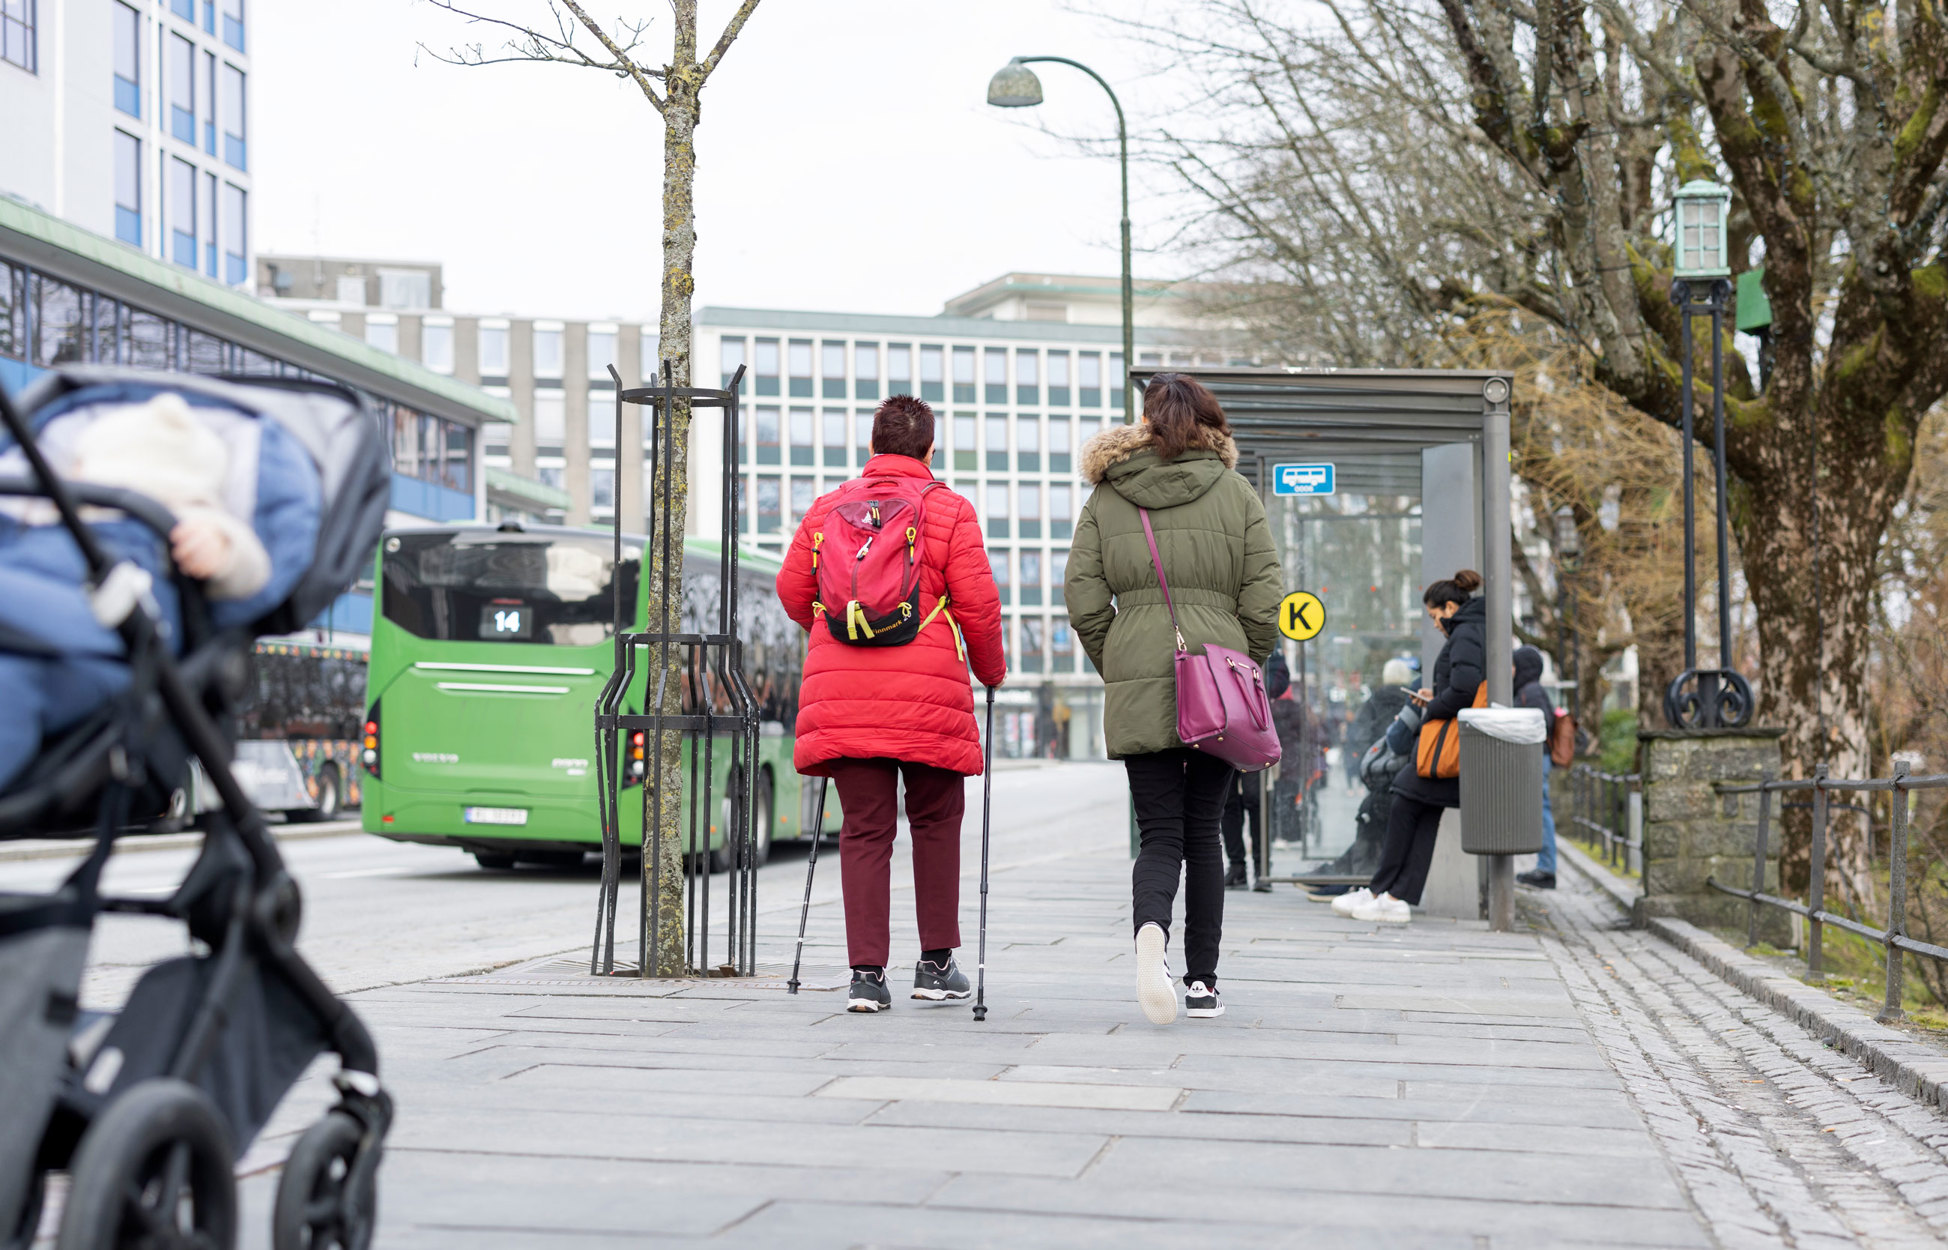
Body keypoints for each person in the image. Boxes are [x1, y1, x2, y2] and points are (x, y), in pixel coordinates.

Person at [775, 394, 1005, 1013]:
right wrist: (991, 671)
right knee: (934, 824)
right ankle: (935, 965)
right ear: (930, 449)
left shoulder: (827, 509)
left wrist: (841, 631)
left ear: (873, 446)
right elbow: (978, 604)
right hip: (929, 692)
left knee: (865, 831)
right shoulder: (950, 510)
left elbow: (793, 589)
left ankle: (866, 977)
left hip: (844, 694)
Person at [1066, 373, 1281, 1024]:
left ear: (1147, 421)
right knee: (1204, 833)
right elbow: (1265, 597)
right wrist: (1242, 664)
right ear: (1211, 423)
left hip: (1138, 675)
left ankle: (1150, 937)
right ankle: (1203, 982)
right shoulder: (1236, 493)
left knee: (1157, 833)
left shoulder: (1107, 497)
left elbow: (1082, 598)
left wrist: (1123, 661)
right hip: (1218, 679)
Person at [0, 390, 320, 791]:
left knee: (11, 691)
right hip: (32, 619)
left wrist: (220, 545)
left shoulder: (182, 515)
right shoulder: (43, 509)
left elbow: (251, 568)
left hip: (101, 630)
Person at [1333, 570, 1485, 924]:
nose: (1435, 624)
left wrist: (1432, 706)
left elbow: (1463, 689)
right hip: (1458, 744)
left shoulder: (1464, 632)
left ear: (1450, 606)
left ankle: (1386, 892)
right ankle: (1391, 895)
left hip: (1447, 745)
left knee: (1404, 801)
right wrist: (1437, 696)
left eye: (1435, 616)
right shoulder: (1474, 629)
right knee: (1421, 811)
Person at [1513, 645, 1560, 889]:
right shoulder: (1530, 689)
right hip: (1536, 757)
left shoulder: (1530, 691)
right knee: (1539, 809)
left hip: (1536, 757)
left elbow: (1540, 723)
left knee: (1541, 810)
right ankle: (1545, 866)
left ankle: (1546, 869)